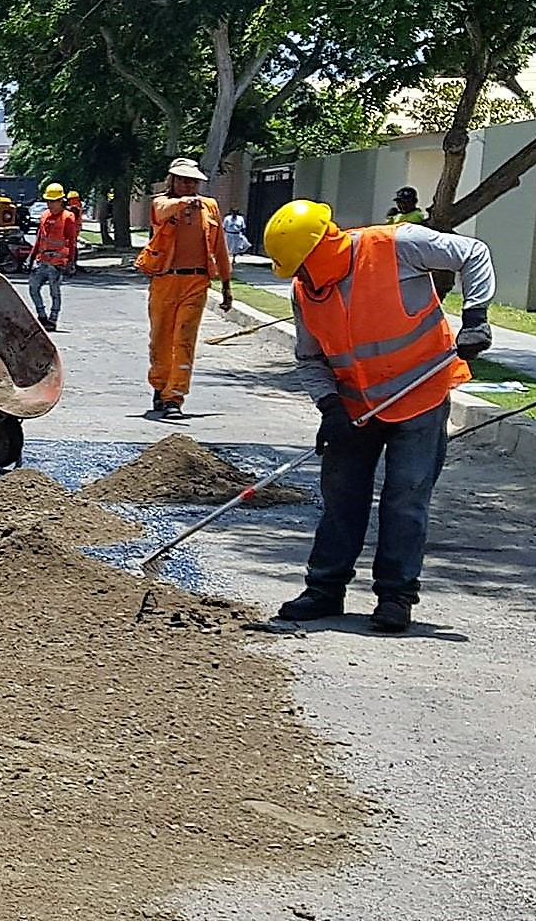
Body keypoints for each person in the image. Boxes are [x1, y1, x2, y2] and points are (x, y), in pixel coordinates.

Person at [262, 198, 495, 633]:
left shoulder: (396, 244)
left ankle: (395, 598)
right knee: (341, 497)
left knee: (405, 498)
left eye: (301, 266)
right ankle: (325, 589)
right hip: (355, 408)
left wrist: (476, 316)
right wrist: (329, 407)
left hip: (420, 394)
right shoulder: (304, 292)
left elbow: (473, 253)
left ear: (320, 249)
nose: (300, 277)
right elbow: (310, 359)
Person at [135, 158, 234, 418]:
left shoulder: (210, 207)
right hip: (165, 281)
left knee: (184, 339)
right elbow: (163, 210)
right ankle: (160, 385)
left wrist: (226, 284)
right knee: (160, 339)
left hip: (196, 281)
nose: (189, 185)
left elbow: (220, 248)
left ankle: (174, 397)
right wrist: (183, 203)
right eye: (183, 180)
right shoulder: (161, 203)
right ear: (173, 181)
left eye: (193, 181)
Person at [28, 183, 80, 331]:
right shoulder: (44, 216)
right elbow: (39, 238)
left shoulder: (68, 217)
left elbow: (72, 241)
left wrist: (71, 262)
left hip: (57, 263)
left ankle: (53, 319)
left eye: (53, 201)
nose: (50, 204)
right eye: (48, 201)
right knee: (33, 288)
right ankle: (41, 315)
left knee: (54, 292)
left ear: (60, 201)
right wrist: (31, 258)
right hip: (42, 261)